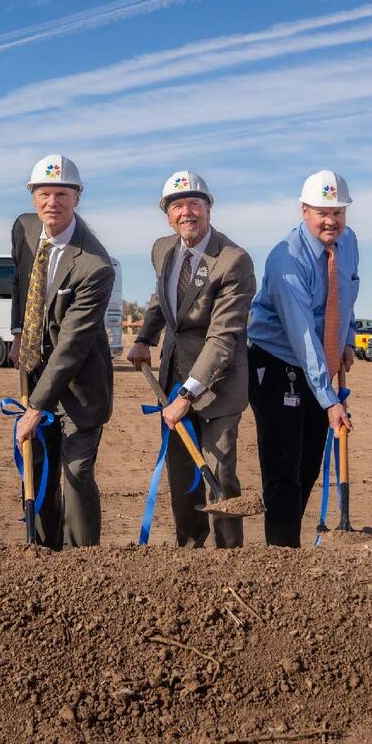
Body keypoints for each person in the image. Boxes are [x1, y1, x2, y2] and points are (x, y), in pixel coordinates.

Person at [125, 170, 255, 548]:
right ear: (167, 214)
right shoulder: (162, 249)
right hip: (172, 378)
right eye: (177, 205)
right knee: (181, 475)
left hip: (217, 386)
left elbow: (223, 337)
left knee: (218, 470)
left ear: (209, 208)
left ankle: (229, 557)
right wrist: (145, 337)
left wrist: (187, 394)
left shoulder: (233, 261)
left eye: (194, 204)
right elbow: (160, 299)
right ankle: (190, 553)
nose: (187, 213)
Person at [245, 170, 359, 547]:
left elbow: (347, 292)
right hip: (277, 361)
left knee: (308, 465)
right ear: (304, 211)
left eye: (338, 212)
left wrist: (347, 340)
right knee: (283, 471)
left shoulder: (348, 243)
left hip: (320, 362)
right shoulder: (286, 260)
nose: (331, 221)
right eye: (322, 212)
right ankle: (282, 556)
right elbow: (301, 335)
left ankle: (288, 544)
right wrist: (329, 400)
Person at [10, 153, 116, 549]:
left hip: (81, 388)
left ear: (78, 197)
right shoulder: (23, 228)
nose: (52, 202)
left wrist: (36, 407)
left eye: (62, 194)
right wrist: (21, 331)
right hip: (36, 375)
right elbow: (23, 285)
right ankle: (41, 553)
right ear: (33, 196)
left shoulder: (95, 265)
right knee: (37, 468)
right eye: (44, 193)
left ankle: (81, 563)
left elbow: (73, 345)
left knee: (75, 475)